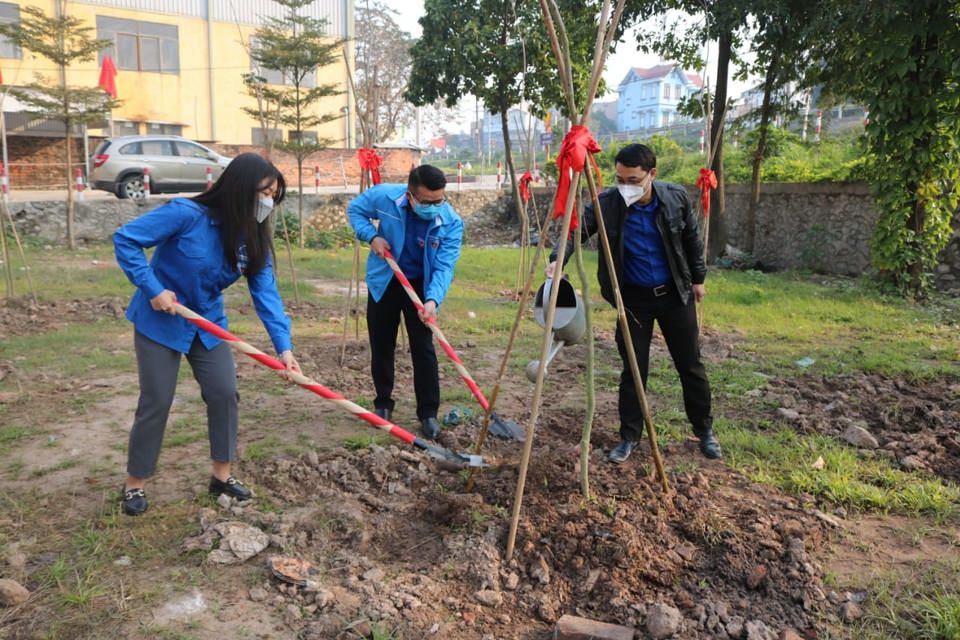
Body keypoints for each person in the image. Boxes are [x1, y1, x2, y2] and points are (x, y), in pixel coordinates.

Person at [113, 153, 301, 516]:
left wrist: (285, 348)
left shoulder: (252, 238)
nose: (266, 202)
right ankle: (134, 484)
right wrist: (153, 289)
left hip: (207, 323)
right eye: (264, 191)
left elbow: (267, 295)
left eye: (272, 195)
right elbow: (126, 240)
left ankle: (222, 476)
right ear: (239, 189)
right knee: (157, 399)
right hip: (160, 321)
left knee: (224, 393)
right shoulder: (185, 214)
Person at [547, 143, 721, 462]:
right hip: (632, 300)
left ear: (651, 175)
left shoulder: (674, 198)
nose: (625, 186)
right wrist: (558, 260)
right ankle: (629, 436)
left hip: (673, 295)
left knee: (691, 365)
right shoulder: (607, 204)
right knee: (633, 370)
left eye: (632, 179)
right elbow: (575, 233)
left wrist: (698, 279)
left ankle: (704, 430)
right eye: (620, 179)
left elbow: (691, 239)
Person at [347, 165, 464, 440]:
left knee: (423, 348)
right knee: (382, 342)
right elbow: (355, 210)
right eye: (427, 202)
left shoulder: (451, 222)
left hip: (422, 287)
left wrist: (433, 300)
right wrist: (372, 236)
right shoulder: (385, 197)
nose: (434, 207)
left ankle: (428, 414)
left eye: (440, 200)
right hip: (386, 280)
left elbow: (445, 267)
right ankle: (383, 404)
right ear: (411, 196)